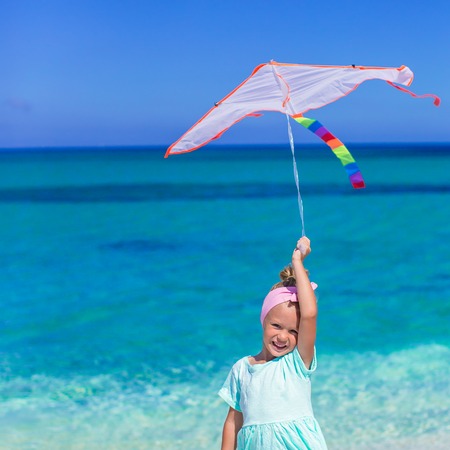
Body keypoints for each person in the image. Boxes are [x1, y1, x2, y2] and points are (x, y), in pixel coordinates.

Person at [219, 236, 328, 450]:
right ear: (263, 321)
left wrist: (298, 262)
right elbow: (233, 422)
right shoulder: (242, 369)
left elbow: (309, 314)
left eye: (293, 331)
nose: (282, 337)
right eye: (276, 326)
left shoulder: (297, 363)